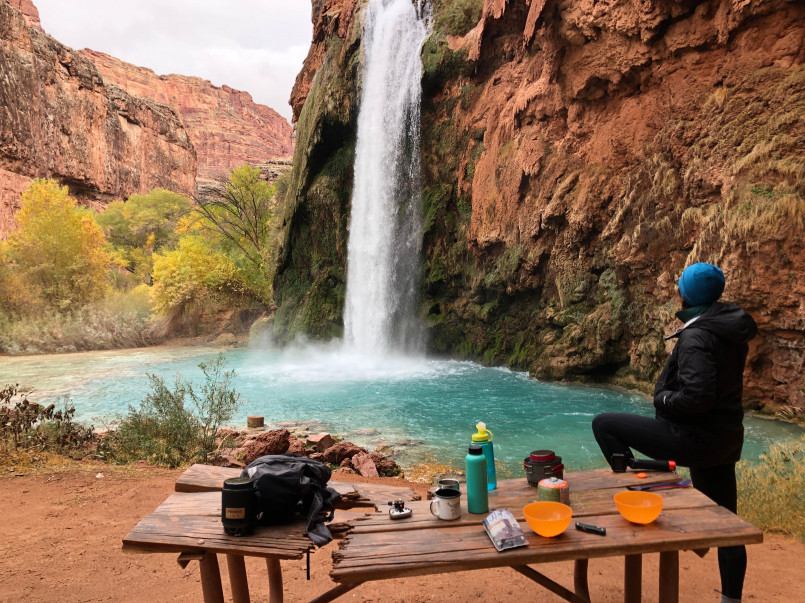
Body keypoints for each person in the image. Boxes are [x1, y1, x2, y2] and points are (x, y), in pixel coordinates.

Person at [591, 262, 757, 603]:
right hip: (722, 441)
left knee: (604, 425)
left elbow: (697, 397)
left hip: (692, 437)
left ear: (685, 295)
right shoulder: (727, 330)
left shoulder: (697, 334)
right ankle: (732, 599)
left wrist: (664, 398)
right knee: (727, 523)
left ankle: (642, 497)